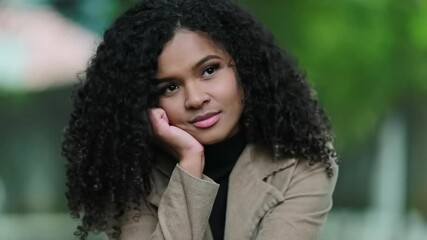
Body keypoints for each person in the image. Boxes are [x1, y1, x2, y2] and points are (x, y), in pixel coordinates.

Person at [62, 0, 339, 239]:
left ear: (245, 67)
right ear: (144, 101)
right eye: (169, 87)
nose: (195, 99)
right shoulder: (129, 172)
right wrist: (190, 163)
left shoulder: (301, 160)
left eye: (209, 70)